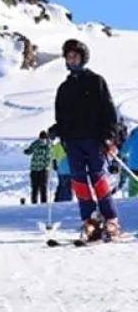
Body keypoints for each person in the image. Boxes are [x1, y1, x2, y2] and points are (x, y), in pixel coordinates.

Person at [48, 39, 122, 242]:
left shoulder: (96, 81)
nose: (72, 60)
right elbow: (61, 118)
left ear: (83, 58)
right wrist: (55, 130)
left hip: (94, 139)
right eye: (69, 57)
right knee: (79, 181)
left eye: (75, 56)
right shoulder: (64, 88)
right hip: (72, 141)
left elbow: (108, 110)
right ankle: (90, 220)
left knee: (98, 179)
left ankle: (110, 219)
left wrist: (109, 134)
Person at [24, 130, 52, 204]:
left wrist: (26, 151)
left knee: (39, 187)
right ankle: (39, 203)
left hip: (38, 169)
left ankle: (39, 203)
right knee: (39, 187)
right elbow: (48, 158)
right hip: (40, 169)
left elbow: (29, 152)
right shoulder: (44, 145)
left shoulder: (40, 144)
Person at [120, 126, 138, 197]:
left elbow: (125, 147)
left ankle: (132, 206)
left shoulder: (135, 132)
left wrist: (122, 155)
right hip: (134, 167)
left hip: (134, 167)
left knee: (133, 192)